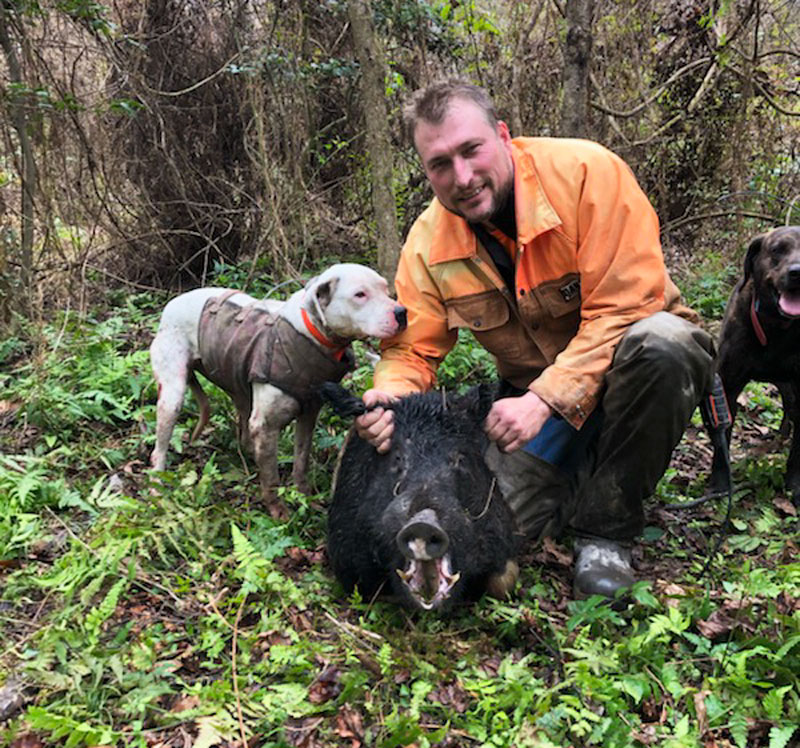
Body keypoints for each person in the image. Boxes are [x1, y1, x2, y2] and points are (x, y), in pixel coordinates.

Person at [355, 79, 714, 601]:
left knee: (665, 342)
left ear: (503, 135)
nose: (462, 177)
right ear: (426, 171)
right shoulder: (428, 243)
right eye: (440, 164)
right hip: (533, 401)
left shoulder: (587, 174)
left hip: (628, 371)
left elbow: (628, 306)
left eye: (472, 150)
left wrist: (544, 400)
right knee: (490, 524)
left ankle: (606, 531)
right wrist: (390, 397)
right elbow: (413, 348)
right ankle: (587, 472)